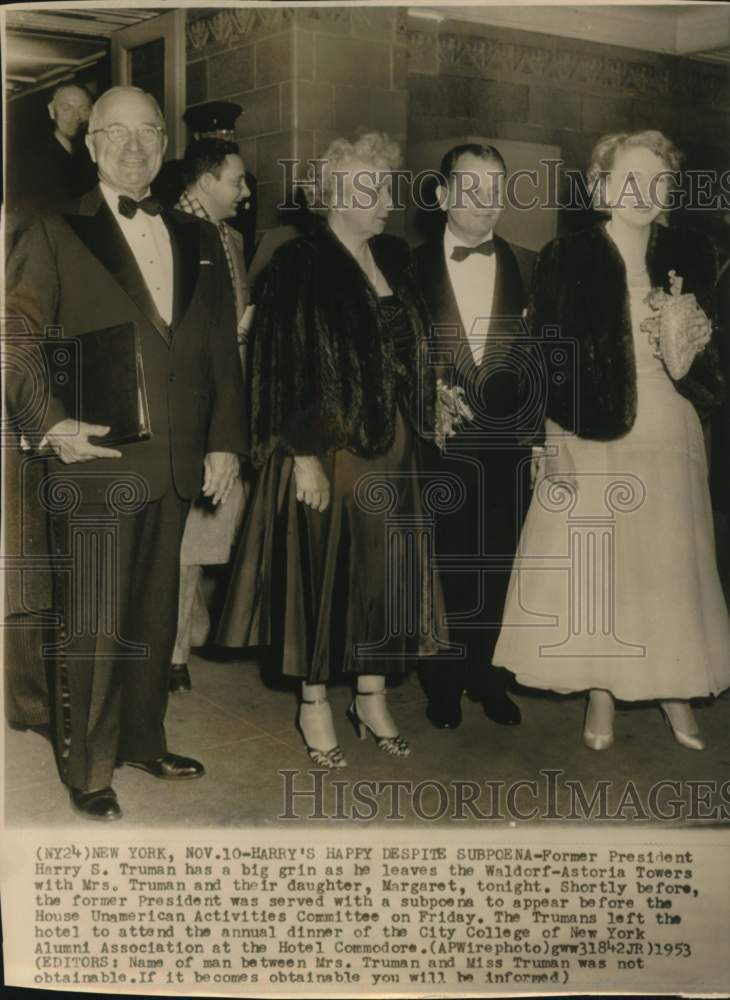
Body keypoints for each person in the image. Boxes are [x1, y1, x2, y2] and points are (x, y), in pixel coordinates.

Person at [5, 85, 246, 820]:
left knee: (153, 622)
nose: (134, 146)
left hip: (175, 463)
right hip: (94, 464)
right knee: (94, 626)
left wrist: (226, 442)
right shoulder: (51, 227)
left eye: (148, 132)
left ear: (166, 146)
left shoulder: (199, 236)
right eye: (116, 133)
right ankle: (89, 768)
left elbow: (218, 356)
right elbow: (13, 340)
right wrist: (50, 427)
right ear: (90, 144)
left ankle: (144, 738)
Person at [493, 129, 730, 750]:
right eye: (628, 180)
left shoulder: (693, 253)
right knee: (604, 569)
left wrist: (689, 348)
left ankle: (673, 689)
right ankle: (602, 691)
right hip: (591, 429)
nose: (642, 194)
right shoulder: (567, 256)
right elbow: (545, 356)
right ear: (601, 187)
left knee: (667, 566)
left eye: (656, 182)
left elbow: (713, 368)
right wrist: (549, 441)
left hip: (669, 424)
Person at [217, 132, 444, 766]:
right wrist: (303, 455)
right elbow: (277, 365)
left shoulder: (395, 258)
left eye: (386, 187)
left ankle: (370, 695)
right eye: (370, 189)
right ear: (334, 197)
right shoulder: (299, 262)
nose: (385, 202)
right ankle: (314, 701)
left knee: (384, 575)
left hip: (394, 447)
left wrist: (431, 399)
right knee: (322, 576)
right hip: (330, 449)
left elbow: (414, 346)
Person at [414, 143, 535, 730]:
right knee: (443, 566)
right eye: (472, 186)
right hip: (432, 447)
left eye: (496, 188)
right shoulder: (405, 268)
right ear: (441, 195)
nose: (486, 201)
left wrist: (538, 442)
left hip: (508, 448)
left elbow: (545, 363)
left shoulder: (531, 265)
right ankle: (441, 680)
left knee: (499, 563)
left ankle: (489, 676)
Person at [169, 138, 251, 693]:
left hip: (228, 396)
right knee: (186, 538)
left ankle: (190, 631)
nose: (245, 194)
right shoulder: (167, 229)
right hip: (188, 406)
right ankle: (174, 650)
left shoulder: (235, 240)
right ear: (204, 180)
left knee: (213, 527)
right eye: (236, 181)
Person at [152, 100, 257, 266]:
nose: (222, 142)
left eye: (227, 134)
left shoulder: (245, 180)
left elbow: (246, 236)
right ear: (197, 137)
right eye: (214, 136)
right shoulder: (169, 174)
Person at [6, 82, 97, 245]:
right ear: (51, 111)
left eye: (84, 109)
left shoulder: (93, 158)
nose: (76, 117)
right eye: (66, 108)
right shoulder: (30, 161)